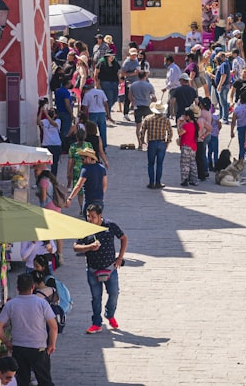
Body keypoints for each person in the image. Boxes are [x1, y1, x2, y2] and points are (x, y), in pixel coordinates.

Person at [0, 273, 57, 386]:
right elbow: (54, 326)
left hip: (19, 348)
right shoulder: (42, 303)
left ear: (17, 288)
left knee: (22, 380)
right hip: (39, 348)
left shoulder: (11, 304)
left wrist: (7, 342)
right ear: (33, 287)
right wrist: (52, 344)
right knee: (45, 380)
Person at [73, 203, 127, 333]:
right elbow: (75, 247)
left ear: (100, 216)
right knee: (96, 297)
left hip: (110, 268)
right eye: (88, 216)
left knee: (114, 294)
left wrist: (119, 257)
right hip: (93, 270)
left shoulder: (110, 225)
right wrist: (90, 247)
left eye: (93, 217)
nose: (90, 219)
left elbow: (123, 238)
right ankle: (96, 323)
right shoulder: (85, 229)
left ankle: (110, 314)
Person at [139, 101, 172, 189]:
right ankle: (158, 182)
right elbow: (170, 133)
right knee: (159, 164)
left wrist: (142, 141)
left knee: (151, 164)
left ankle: (151, 182)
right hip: (161, 143)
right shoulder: (166, 120)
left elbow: (142, 131)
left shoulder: (148, 118)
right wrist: (167, 142)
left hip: (152, 143)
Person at [66, 147, 108, 212]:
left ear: (88, 158)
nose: (81, 161)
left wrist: (70, 198)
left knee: (88, 220)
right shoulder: (102, 168)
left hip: (89, 201)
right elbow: (105, 185)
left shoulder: (86, 169)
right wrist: (100, 195)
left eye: (82, 159)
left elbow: (79, 185)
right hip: (100, 201)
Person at [128, 71, 156, 147]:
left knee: (138, 126)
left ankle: (140, 143)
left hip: (137, 106)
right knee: (148, 126)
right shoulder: (149, 85)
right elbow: (153, 97)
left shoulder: (133, 85)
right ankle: (148, 143)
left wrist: (133, 102)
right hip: (147, 106)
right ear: (145, 76)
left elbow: (130, 96)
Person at [95, 52, 121, 123]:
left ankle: (106, 112)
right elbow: (96, 72)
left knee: (115, 98)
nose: (112, 58)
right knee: (109, 99)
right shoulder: (101, 63)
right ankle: (108, 115)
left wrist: (120, 80)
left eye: (112, 56)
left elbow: (118, 72)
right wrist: (97, 82)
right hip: (105, 82)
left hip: (114, 82)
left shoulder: (115, 63)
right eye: (110, 56)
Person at [176, 107, 199, 186]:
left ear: (188, 117)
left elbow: (180, 133)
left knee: (184, 164)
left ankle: (184, 180)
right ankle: (194, 179)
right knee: (193, 163)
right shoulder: (196, 125)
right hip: (193, 146)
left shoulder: (187, 125)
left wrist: (178, 124)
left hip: (186, 145)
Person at [38, 105, 63, 177]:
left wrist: (46, 114)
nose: (50, 112)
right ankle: (41, 179)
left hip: (56, 145)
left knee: (54, 164)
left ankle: (53, 179)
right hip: (46, 144)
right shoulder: (45, 121)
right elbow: (38, 122)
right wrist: (41, 112)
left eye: (53, 112)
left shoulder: (58, 121)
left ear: (56, 114)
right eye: (50, 111)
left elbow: (53, 123)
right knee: (42, 164)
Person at [83, 83, 109, 150]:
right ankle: (103, 147)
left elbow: (85, 107)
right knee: (103, 130)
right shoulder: (101, 92)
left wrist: (84, 116)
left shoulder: (87, 94)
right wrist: (108, 114)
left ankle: (92, 146)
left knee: (91, 131)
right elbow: (106, 104)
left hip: (92, 113)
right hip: (101, 112)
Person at [230, 94, 246, 162]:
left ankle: (241, 160)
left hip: (241, 127)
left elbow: (233, 121)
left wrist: (231, 131)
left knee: (241, 144)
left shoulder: (237, 109)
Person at [119, 48, 140, 119]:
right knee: (128, 97)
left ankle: (136, 111)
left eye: (135, 55)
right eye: (132, 55)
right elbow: (123, 73)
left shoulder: (136, 60)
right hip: (129, 82)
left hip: (136, 81)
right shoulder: (127, 62)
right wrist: (132, 73)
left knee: (136, 97)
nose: (134, 56)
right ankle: (125, 113)